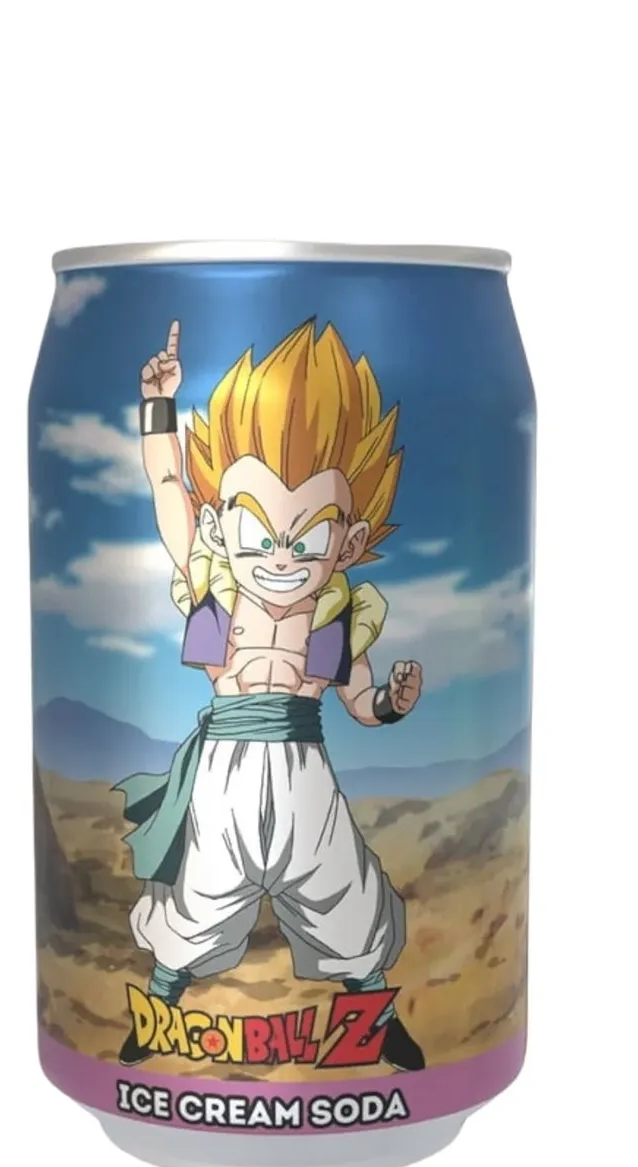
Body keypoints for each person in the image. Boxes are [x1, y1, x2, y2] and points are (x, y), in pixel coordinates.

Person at [116, 318, 425, 1071]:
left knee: (344, 892)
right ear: (220, 526)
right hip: (223, 764)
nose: (281, 557)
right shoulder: (212, 585)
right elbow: (167, 487)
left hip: (304, 766)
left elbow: (359, 702)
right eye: (258, 533)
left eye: (308, 538)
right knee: (198, 896)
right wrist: (159, 407)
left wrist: (392, 703)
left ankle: (377, 1019)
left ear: (348, 544)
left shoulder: (343, 612)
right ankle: (158, 1012)